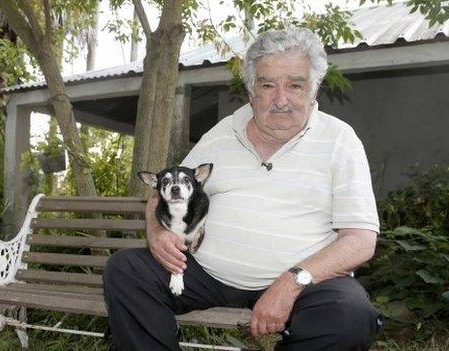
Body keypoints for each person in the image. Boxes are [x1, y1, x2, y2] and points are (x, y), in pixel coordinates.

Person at [103, 27, 382, 351]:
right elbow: (158, 197)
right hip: (207, 274)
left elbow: (360, 241)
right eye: (267, 85)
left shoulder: (340, 140)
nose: (280, 100)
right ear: (251, 90)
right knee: (126, 269)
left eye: (295, 85)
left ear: (314, 88)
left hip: (305, 283)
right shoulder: (221, 135)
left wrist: (292, 281)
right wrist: (156, 233)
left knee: (350, 312)